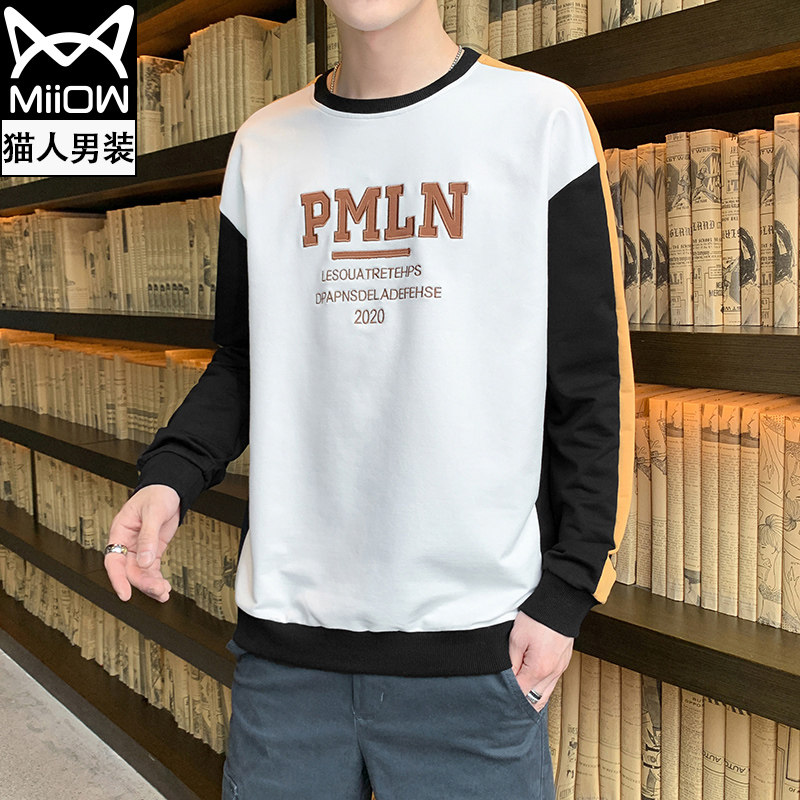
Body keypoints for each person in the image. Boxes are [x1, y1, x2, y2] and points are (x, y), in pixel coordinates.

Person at [104, 0, 635, 795]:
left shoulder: (539, 121)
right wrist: (168, 477)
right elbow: (247, 358)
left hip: (475, 653)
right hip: (286, 657)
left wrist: (565, 596)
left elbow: (590, 383)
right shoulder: (263, 145)